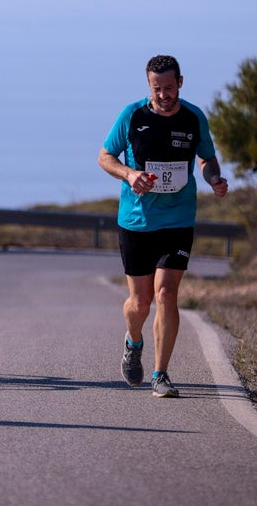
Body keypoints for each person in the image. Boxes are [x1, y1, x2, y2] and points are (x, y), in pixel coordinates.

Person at [97, 54, 228, 398]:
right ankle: (133, 341)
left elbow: (206, 157)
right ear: (149, 86)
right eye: (157, 89)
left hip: (178, 219)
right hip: (137, 221)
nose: (164, 95)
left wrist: (214, 178)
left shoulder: (194, 117)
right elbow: (105, 156)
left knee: (166, 294)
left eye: (169, 88)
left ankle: (161, 374)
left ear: (180, 83)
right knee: (139, 303)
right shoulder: (132, 115)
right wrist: (130, 174)